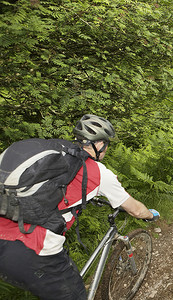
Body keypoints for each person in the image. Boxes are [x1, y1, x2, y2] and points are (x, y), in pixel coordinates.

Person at [0, 114, 159, 300]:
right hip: (34, 250)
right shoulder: (97, 172)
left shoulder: (57, 153)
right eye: (106, 144)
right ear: (99, 145)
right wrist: (149, 216)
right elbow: (136, 209)